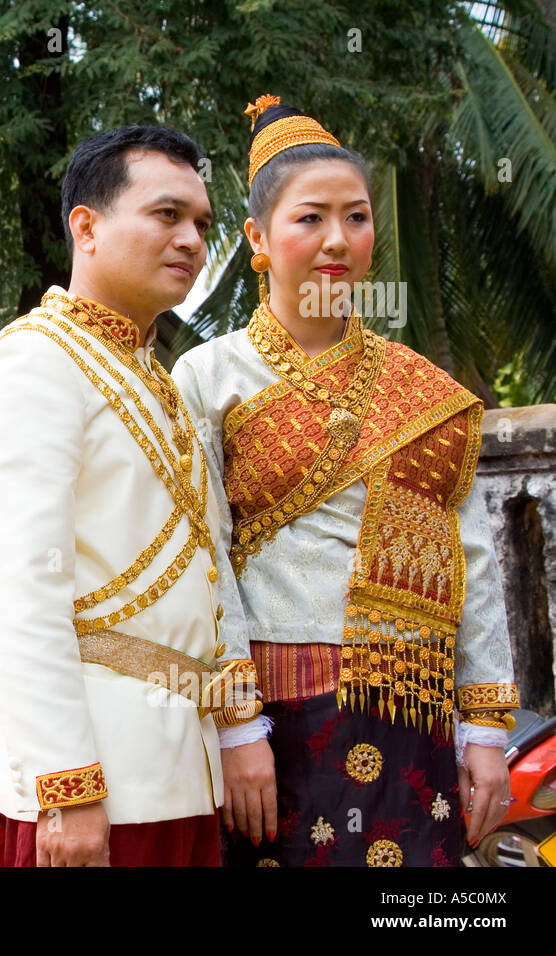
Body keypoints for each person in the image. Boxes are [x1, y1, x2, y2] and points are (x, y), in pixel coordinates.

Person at [172, 96, 517, 867]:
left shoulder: (422, 389)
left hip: (409, 711)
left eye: (356, 217)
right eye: (310, 219)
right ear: (258, 238)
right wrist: (236, 725)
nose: (338, 240)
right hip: (274, 718)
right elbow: (203, 553)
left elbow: (473, 562)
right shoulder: (208, 376)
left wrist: (486, 732)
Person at [0, 125, 252, 867]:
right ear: (85, 227)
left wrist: (238, 731)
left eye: (201, 224)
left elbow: (210, 570)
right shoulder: (34, 361)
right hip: (96, 787)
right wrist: (67, 782)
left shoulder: (157, 375)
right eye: (166, 215)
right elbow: (22, 588)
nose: (190, 239)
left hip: (184, 773)